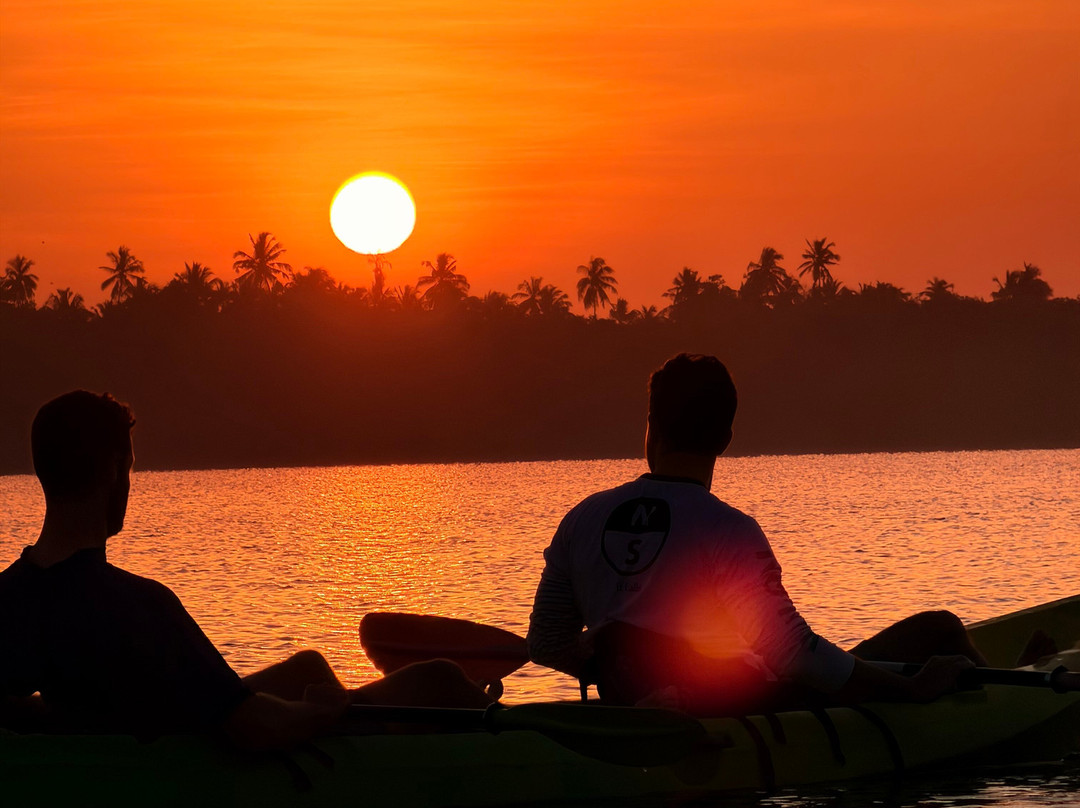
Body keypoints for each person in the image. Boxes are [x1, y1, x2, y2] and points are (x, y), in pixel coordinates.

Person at [0, 391, 489, 748]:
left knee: (308, 667)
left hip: (154, 725)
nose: (130, 482)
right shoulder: (138, 606)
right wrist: (320, 712)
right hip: (205, 753)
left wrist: (56, 715)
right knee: (439, 681)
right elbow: (257, 726)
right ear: (111, 469)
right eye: (130, 468)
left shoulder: (11, 597)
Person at [527, 353, 985, 715]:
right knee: (939, 629)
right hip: (743, 714)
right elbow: (794, 655)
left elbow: (547, 642)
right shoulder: (730, 530)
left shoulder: (581, 519)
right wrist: (910, 689)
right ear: (726, 439)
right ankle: (1018, 688)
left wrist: (626, 687)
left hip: (643, 714)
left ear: (650, 430)